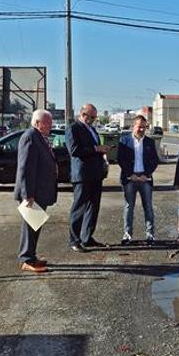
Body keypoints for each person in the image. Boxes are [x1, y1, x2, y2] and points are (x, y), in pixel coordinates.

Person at [14, 109, 58, 273]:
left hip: (40, 191)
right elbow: (25, 169)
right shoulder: (30, 137)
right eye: (48, 122)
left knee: (35, 226)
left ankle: (31, 256)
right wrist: (28, 195)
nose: (50, 126)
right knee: (29, 227)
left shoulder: (39, 137)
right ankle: (26, 259)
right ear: (37, 123)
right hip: (32, 193)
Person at [66, 103, 111, 252]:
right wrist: (96, 149)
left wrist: (102, 152)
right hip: (82, 174)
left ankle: (87, 237)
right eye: (91, 117)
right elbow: (74, 150)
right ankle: (74, 239)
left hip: (95, 174)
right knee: (79, 208)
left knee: (93, 207)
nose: (93, 120)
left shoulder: (92, 129)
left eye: (95, 117)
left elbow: (94, 148)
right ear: (83, 114)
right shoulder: (73, 128)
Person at [117, 115, 160, 244]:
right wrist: (131, 174)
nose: (141, 129)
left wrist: (146, 174)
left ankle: (150, 234)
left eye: (144, 127)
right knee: (129, 207)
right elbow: (120, 159)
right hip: (130, 178)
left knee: (148, 206)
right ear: (133, 126)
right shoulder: (124, 141)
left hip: (145, 179)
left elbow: (155, 160)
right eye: (139, 126)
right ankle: (127, 234)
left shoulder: (150, 142)